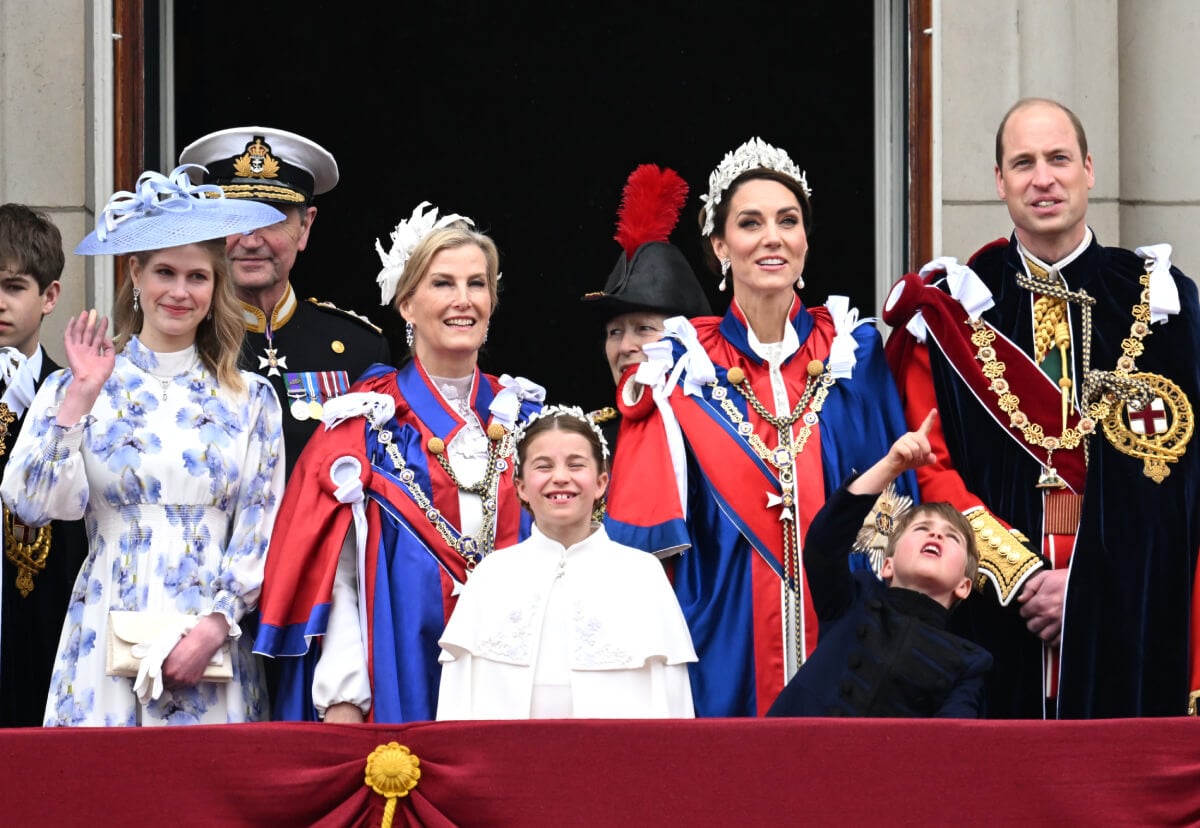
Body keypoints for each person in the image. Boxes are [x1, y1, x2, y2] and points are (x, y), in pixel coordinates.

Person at [882, 98, 1200, 718]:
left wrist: (1086, 588)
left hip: (1130, 619)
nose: (1042, 178)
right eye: (1022, 163)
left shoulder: (1164, 303)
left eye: (1058, 158)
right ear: (1000, 182)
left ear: (1089, 168)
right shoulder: (954, 307)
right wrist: (1024, 577)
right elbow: (931, 467)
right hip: (993, 618)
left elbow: (1184, 487)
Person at [604, 137, 917, 717]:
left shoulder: (855, 351)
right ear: (720, 244)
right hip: (720, 647)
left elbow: (894, 514)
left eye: (788, 221)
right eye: (750, 223)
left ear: (804, 239)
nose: (772, 237)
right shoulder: (679, 367)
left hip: (848, 648)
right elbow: (642, 552)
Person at [0, 167, 287, 725]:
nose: (180, 292)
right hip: (106, 624)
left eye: (197, 277)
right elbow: (30, 503)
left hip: (211, 637)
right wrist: (80, 399)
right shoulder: (76, 383)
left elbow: (261, 526)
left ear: (216, 285)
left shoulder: (251, 397)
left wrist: (216, 625)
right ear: (135, 273)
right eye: (164, 272)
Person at [254, 202, 545, 723]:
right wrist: (344, 693)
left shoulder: (525, 418)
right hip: (400, 667)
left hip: (516, 672)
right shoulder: (363, 423)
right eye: (443, 284)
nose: (463, 301)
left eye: (477, 284)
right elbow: (336, 574)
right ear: (407, 303)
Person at [436, 405, 696, 719]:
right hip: (509, 764)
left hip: (617, 763)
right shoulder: (491, 576)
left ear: (601, 483)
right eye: (543, 466)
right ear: (521, 487)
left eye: (576, 465)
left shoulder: (643, 574)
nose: (560, 478)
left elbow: (673, 704)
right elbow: (457, 707)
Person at [178, 127, 391, 478]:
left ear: (305, 227)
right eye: (235, 216)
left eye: (273, 217)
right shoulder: (180, 343)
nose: (251, 240)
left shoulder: (360, 350)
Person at [767, 410, 992, 717]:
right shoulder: (855, 598)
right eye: (921, 529)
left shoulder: (969, 662)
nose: (937, 534)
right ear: (887, 565)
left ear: (964, 586)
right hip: (794, 757)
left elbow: (951, 746)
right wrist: (891, 465)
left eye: (951, 537)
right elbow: (824, 544)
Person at [0, 205, 89, 726]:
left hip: (48, 631)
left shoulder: (75, 396)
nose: (0, 303)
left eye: (14, 286)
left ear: (49, 296)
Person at [580, 164, 712, 447]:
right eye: (614, 332)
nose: (626, 346)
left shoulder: (724, 429)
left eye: (644, 328)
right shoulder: (590, 444)